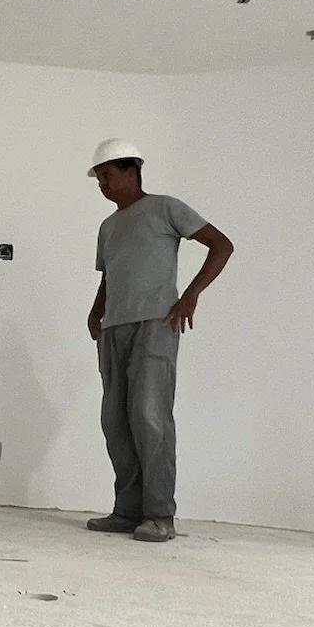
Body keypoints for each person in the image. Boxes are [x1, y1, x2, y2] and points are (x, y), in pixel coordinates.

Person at [84, 137, 234, 543]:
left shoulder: (166, 207)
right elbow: (109, 273)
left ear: (132, 172)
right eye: (99, 179)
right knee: (114, 420)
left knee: (149, 416)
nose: (103, 185)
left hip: (156, 323)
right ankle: (127, 510)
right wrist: (97, 310)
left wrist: (190, 295)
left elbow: (222, 245)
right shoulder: (108, 226)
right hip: (114, 328)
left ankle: (159, 515)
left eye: (108, 176)